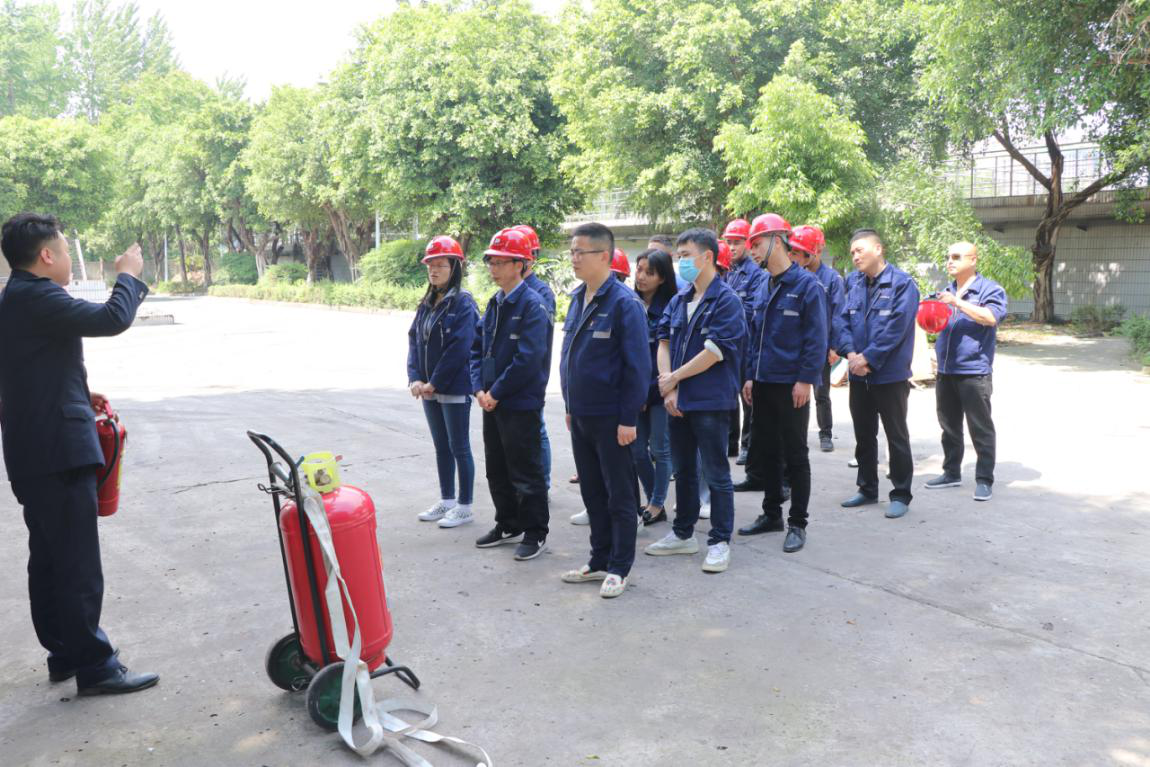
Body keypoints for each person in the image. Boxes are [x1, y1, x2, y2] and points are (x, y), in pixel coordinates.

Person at [0, 213, 159, 695]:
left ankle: (65, 653)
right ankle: (96, 666)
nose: (69, 259)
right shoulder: (38, 295)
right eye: (66, 250)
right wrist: (128, 275)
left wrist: (75, 392)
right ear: (46, 255)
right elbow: (112, 319)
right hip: (59, 451)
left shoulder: (15, 298)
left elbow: (26, 369)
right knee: (76, 563)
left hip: (33, 448)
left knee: (50, 557)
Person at [644, 228, 747, 573]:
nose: (681, 262)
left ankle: (719, 541)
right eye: (679, 256)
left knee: (716, 473)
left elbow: (714, 352)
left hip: (710, 401)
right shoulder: (679, 300)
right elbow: (663, 343)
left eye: (686, 255)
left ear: (707, 257)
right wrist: (668, 387)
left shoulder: (726, 301)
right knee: (684, 470)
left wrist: (674, 378)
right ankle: (683, 533)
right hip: (678, 400)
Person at [559, 223, 651, 598]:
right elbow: (569, 357)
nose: (574, 258)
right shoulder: (578, 298)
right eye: (572, 251)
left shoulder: (624, 303)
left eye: (580, 251)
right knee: (593, 492)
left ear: (603, 256)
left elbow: (638, 368)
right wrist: (570, 405)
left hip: (613, 418)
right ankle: (599, 559)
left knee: (620, 495)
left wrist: (629, 419)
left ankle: (619, 566)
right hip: (581, 414)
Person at [736, 218, 827, 553]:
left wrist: (805, 380)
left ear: (777, 240)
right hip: (762, 382)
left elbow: (816, 339)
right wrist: (750, 375)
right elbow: (754, 337)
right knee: (767, 451)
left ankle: (797, 523)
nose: (752, 251)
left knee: (795, 454)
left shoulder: (807, 286)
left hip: (791, 385)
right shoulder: (764, 285)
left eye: (757, 243)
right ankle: (771, 514)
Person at [469, 228, 551, 559]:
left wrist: (497, 391)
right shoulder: (495, 302)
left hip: (518, 401)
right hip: (491, 400)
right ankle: (508, 522)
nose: (494, 268)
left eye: (501, 262)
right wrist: (478, 388)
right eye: (491, 262)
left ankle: (535, 531)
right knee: (497, 467)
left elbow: (528, 358)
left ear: (520, 265)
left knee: (525, 470)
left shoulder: (532, 304)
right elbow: (477, 349)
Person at [834, 229, 920, 519]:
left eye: (860, 250)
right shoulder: (852, 282)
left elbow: (896, 328)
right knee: (864, 435)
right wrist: (850, 354)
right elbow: (841, 322)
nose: (855, 256)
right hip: (859, 375)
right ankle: (867, 488)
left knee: (896, 435)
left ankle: (901, 494)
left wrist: (868, 358)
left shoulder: (902, 284)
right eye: (852, 253)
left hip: (889, 375)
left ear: (878, 249)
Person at [407, 235, 479, 528]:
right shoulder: (427, 303)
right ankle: (447, 500)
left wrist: (434, 382)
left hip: (453, 387)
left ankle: (465, 506)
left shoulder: (463, 303)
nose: (433, 270)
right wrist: (415, 377)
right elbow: (414, 341)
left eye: (440, 265)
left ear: (455, 267)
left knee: (459, 446)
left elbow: (460, 348)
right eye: (430, 265)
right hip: (428, 389)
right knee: (441, 447)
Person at [926, 241, 1007, 502]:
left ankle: (984, 480)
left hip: (974, 371)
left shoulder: (989, 289)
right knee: (949, 426)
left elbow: (991, 317)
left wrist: (957, 303)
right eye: (948, 256)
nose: (950, 261)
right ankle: (951, 473)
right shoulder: (947, 291)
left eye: (956, 256)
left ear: (973, 260)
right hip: (946, 370)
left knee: (980, 428)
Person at [631, 249, 677, 526]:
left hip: (660, 389)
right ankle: (653, 500)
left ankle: (657, 503)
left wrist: (652, 390)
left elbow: (665, 354)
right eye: (639, 269)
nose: (642, 277)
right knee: (637, 451)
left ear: (662, 278)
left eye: (650, 272)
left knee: (660, 449)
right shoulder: (629, 303)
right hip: (635, 391)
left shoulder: (671, 306)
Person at [792, 225, 846, 453]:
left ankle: (825, 434)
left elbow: (838, 314)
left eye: (799, 252)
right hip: (797, 345)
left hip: (821, 347)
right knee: (797, 392)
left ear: (814, 252)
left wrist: (834, 347)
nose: (795, 257)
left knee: (821, 393)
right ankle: (797, 435)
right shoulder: (795, 277)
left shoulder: (832, 279)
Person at [512, 225, 556, 493]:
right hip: (510, 374)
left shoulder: (541, 293)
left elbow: (537, 342)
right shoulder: (509, 290)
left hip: (532, 372)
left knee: (536, 428)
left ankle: (543, 483)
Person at [722, 218, 761, 465]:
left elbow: (750, 311)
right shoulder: (726, 271)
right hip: (728, 346)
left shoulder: (755, 273)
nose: (732, 247)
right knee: (729, 396)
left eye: (737, 242)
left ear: (747, 243)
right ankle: (731, 443)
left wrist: (727, 311)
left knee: (748, 399)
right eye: (729, 242)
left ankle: (748, 444)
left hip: (747, 345)